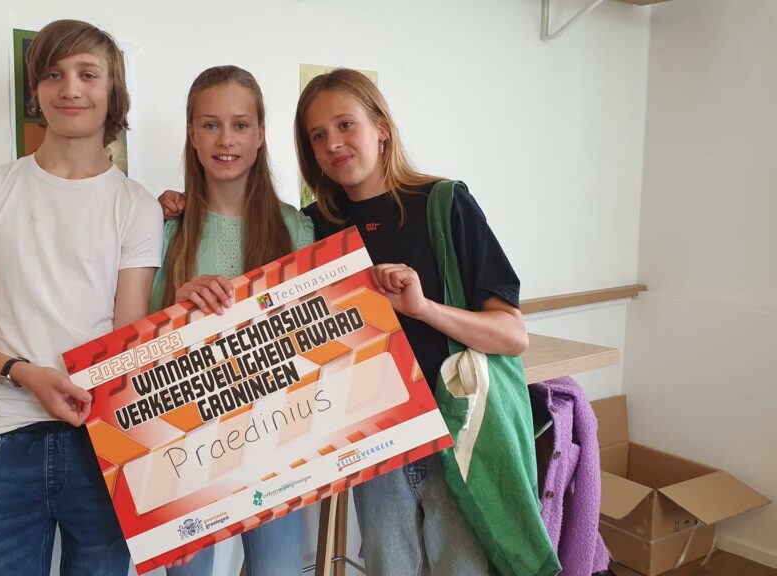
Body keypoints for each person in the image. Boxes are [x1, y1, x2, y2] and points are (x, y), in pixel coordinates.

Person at [0, 19, 163, 576]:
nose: (70, 89)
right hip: (4, 437)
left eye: (88, 74)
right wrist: (25, 374)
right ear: (35, 90)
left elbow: (125, 342)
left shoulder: (137, 207)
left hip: (102, 440)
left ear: (113, 91)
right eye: (54, 75)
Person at [293, 68, 530, 575]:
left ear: (381, 127)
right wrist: (173, 211)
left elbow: (512, 335)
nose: (332, 144)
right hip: (374, 443)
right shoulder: (312, 227)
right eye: (317, 135)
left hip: (455, 435)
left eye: (345, 125)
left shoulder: (444, 203)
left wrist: (423, 309)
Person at [155, 65, 314, 576]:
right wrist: (177, 307)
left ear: (261, 133)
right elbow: (135, 349)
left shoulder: (295, 228)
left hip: (278, 441)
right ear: (191, 133)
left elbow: (317, 338)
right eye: (210, 125)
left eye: (241, 125)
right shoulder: (164, 228)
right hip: (187, 449)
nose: (226, 140)